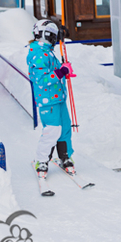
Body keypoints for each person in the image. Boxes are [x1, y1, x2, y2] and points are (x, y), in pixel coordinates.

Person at [27, 20, 76, 178]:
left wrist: (64, 69)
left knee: (64, 128)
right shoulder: (37, 54)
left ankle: (65, 156)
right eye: (52, 36)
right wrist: (61, 72)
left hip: (58, 97)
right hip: (48, 99)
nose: (54, 40)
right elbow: (42, 80)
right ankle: (41, 160)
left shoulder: (47, 51)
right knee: (52, 130)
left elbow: (55, 72)